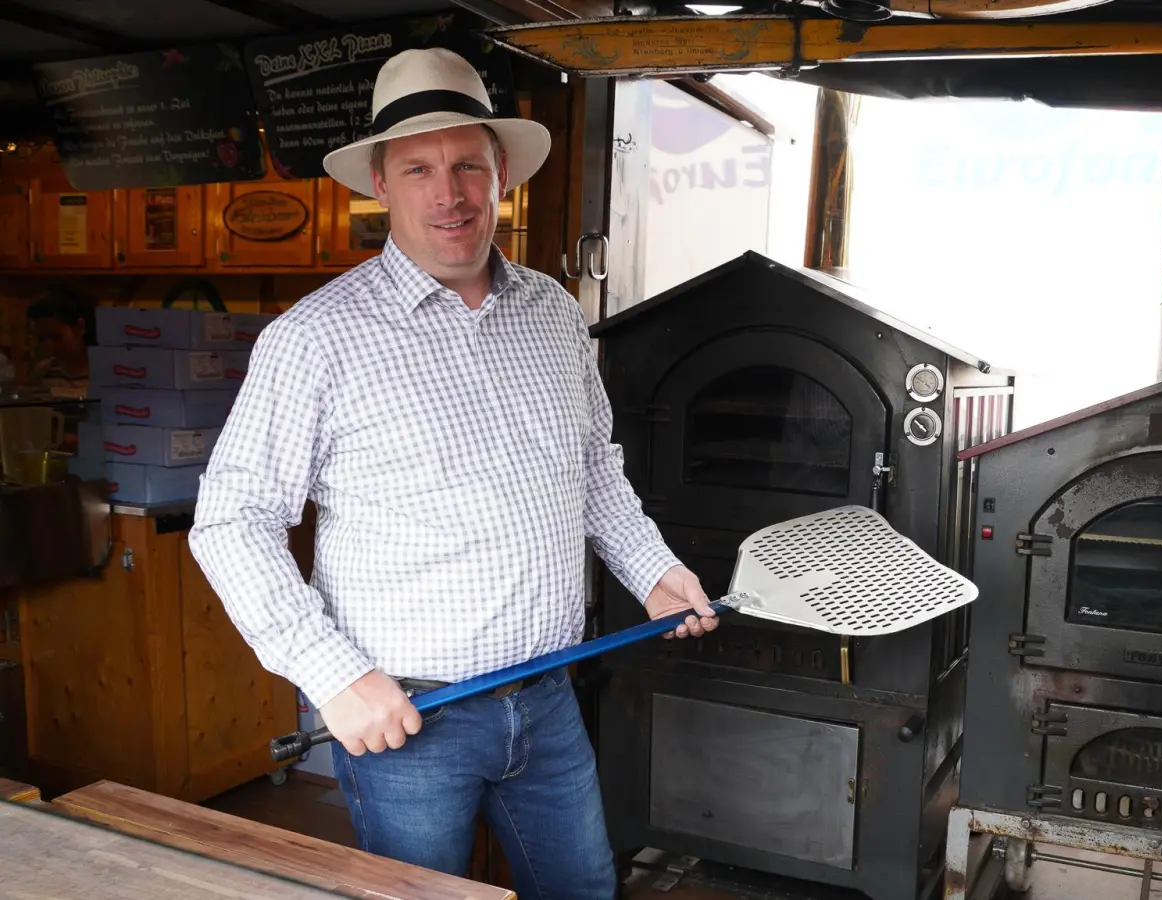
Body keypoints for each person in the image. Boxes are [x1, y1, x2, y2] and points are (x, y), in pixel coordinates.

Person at [188, 47, 719, 899]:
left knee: (584, 892)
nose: (450, 193)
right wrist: (333, 675)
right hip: (410, 719)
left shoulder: (554, 313)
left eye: (469, 165)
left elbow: (592, 467)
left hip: (547, 698)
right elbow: (232, 521)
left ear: (501, 173)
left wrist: (652, 570)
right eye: (419, 169)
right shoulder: (315, 339)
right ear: (380, 184)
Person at [26, 285, 96, 396]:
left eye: (56, 337)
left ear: (80, 327)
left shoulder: (108, 372)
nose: (50, 346)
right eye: (42, 339)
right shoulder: (44, 373)